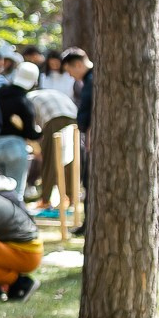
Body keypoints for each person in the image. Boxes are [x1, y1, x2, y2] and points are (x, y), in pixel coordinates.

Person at [0, 60, 43, 198]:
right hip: (15, 147)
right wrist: (39, 132)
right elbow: (30, 133)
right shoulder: (24, 101)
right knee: (15, 192)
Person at [66, 49, 93, 234]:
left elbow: (86, 107)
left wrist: (83, 127)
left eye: (70, 70)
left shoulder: (91, 81)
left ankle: (88, 224)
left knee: (89, 181)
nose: (70, 75)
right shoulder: (90, 79)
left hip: (92, 136)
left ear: (78, 64)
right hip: (91, 134)